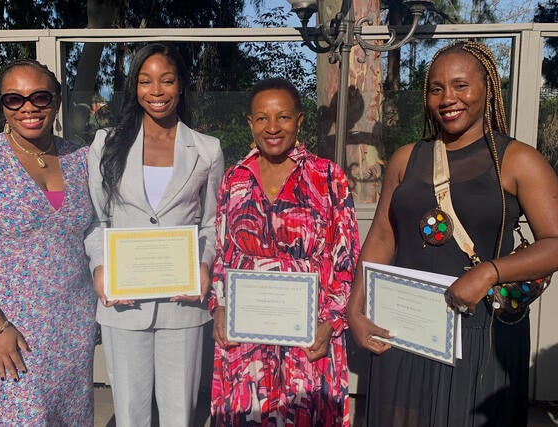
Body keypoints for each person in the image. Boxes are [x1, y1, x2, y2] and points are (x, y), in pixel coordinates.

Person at [347, 40, 558, 426]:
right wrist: (355, 308)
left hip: (480, 336)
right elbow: (381, 236)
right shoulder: (406, 158)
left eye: (461, 85)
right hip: (407, 329)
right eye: (437, 88)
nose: (448, 98)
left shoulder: (518, 160)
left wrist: (488, 272)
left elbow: (555, 243)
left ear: (487, 88)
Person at [84, 43, 224, 427]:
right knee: (130, 412)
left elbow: (213, 223)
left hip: (183, 302)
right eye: (145, 82)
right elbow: (97, 220)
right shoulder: (106, 145)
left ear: (180, 86)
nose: (156, 91)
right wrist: (100, 267)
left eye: (166, 80)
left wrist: (204, 265)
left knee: (180, 411)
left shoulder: (207, 150)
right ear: (134, 88)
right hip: (124, 301)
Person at [209, 78, 360, 426]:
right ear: (250, 123)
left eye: (283, 117)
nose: (273, 127)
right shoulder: (235, 178)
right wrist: (219, 306)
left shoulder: (327, 177)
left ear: (300, 121)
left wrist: (331, 322)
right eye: (262, 118)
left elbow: (346, 257)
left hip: (309, 333)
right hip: (246, 334)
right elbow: (223, 251)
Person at [0, 59, 96, 424]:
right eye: (14, 100)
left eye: (39, 97)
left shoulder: (80, 159)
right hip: (11, 336)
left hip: (73, 332)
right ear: (2, 105)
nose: (28, 107)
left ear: (57, 99)